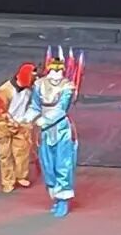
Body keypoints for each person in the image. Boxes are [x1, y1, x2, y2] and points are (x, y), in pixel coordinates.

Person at [24, 53, 82, 218]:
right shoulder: (39, 84)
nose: (56, 74)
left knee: (63, 164)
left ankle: (63, 199)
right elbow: (35, 105)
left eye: (59, 71)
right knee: (47, 165)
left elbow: (61, 108)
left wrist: (45, 120)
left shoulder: (67, 87)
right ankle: (55, 196)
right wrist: (26, 117)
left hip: (61, 129)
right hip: (45, 132)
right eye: (54, 70)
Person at [0, 63, 37, 193]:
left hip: (21, 123)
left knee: (22, 151)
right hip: (4, 125)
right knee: (5, 154)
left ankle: (21, 176)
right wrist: (8, 125)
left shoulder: (30, 88)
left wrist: (25, 121)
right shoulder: (4, 90)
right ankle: (8, 181)